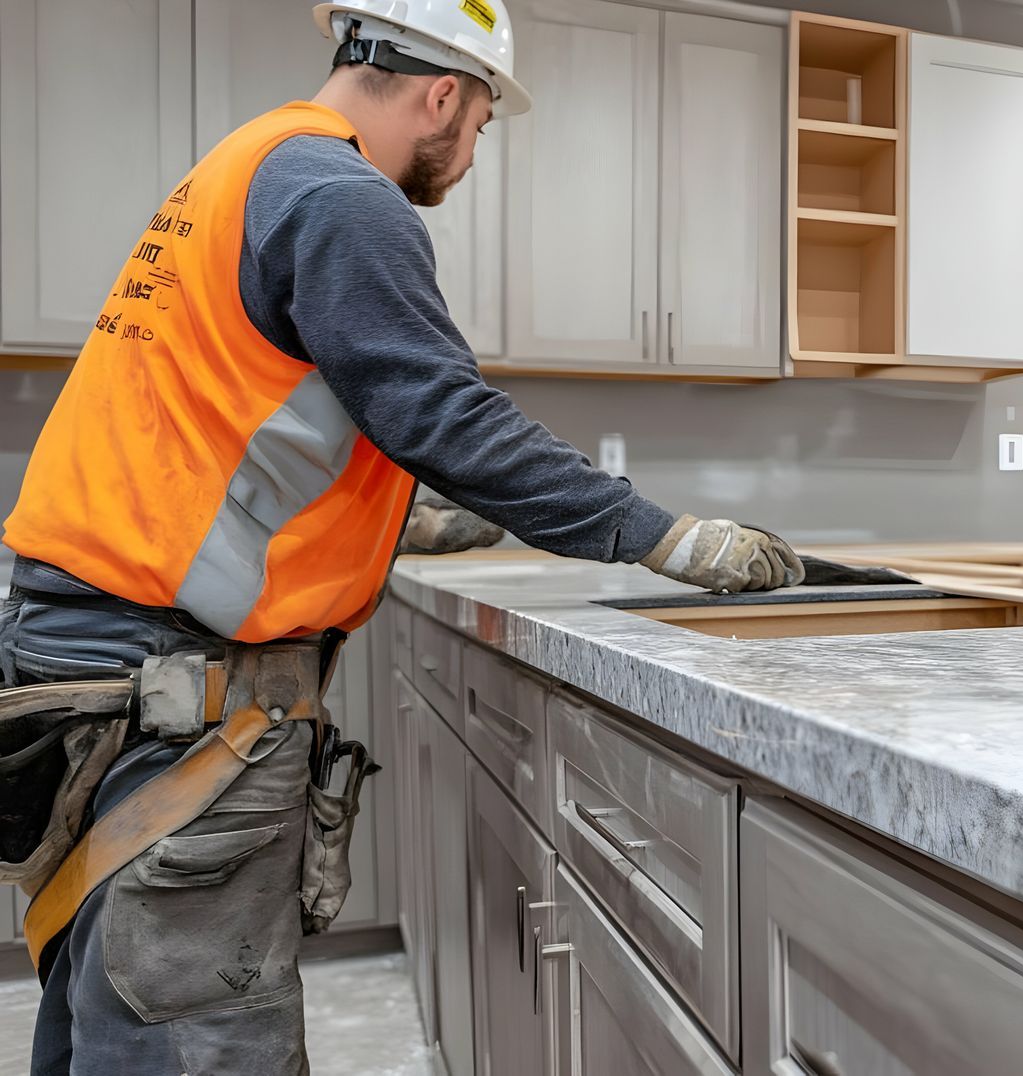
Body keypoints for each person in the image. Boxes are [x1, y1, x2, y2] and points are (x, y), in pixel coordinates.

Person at [0, 1, 799, 1071]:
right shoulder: (345, 198)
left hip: (93, 668)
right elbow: (443, 414)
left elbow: (213, 430)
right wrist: (667, 537)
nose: (471, 152)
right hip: (172, 703)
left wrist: (395, 520)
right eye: (480, 122)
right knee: (189, 1039)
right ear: (441, 94)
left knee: (110, 1020)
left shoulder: (244, 167)